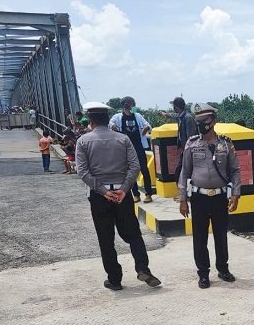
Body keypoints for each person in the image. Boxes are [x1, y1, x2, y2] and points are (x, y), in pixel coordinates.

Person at [75, 102, 161, 291]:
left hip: (99, 197)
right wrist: (123, 189)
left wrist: (105, 192)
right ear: (107, 119)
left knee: (106, 239)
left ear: (91, 121)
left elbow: (82, 172)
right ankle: (143, 268)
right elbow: (135, 166)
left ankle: (115, 279)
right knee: (134, 233)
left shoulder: (83, 141)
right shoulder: (123, 139)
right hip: (123, 195)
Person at [178, 103, 241, 289]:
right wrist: (183, 199)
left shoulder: (225, 144)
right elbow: (184, 172)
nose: (200, 124)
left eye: (204, 120)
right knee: (200, 237)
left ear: (213, 121)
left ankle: (223, 268)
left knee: (221, 236)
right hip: (199, 198)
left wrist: (236, 194)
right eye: (198, 120)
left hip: (220, 197)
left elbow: (235, 170)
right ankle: (203, 273)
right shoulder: (192, 143)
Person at [110, 97, 154, 203]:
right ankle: (136, 194)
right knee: (130, 172)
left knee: (144, 169)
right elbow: (110, 124)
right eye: (128, 103)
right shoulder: (117, 117)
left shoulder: (137, 116)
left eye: (130, 103)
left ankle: (148, 193)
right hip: (126, 148)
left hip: (138, 146)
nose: (129, 105)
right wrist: (114, 127)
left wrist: (146, 128)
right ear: (124, 104)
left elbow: (148, 125)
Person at [161, 97, 198, 185]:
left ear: (176, 107)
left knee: (181, 171)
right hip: (184, 149)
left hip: (189, 150)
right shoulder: (181, 116)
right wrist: (165, 114)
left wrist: (188, 150)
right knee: (183, 171)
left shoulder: (188, 118)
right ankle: (184, 193)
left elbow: (191, 137)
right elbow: (174, 116)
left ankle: (184, 194)